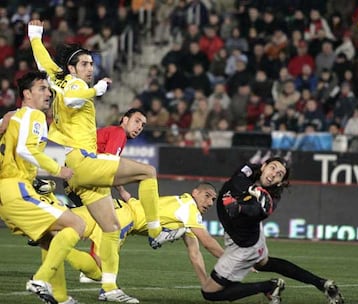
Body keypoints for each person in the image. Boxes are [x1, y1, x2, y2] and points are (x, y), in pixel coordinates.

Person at [28, 20, 183, 303]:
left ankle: (109, 289)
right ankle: (156, 232)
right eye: (85, 64)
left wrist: (35, 36)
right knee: (148, 172)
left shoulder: (57, 77)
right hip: (82, 160)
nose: (90, 67)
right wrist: (95, 90)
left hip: (71, 168)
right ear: (73, 69)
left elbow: (43, 61)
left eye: (91, 63)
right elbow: (75, 98)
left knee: (110, 229)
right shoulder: (76, 84)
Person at [39, 183, 223, 302]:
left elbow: (195, 252)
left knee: (58, 223)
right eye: (207, 196)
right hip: (124, 218)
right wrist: (238, 261)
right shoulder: (189, 209)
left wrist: (205, 283)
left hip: (115, 208)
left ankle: (47, 196)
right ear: (195, 192)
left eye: (213, 199)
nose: (209, 202)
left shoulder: (178, 207)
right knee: (101, 272)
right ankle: (109, 291)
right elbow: (207, 242)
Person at [201, 157, 344, 304]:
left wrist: (239, 207)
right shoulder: (249, 171)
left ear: (280, 182)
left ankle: (269, 286)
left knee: (209, 292)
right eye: (273, 167)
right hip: (245, 235)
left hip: (243, 246)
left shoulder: (270, 199)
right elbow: (237, 180)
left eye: (280, 174)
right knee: (263, 264)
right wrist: (252, 189)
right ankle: (322, 284)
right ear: (263, 166)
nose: (274, 173)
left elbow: (255, 211)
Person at [0, 71, 85, 304]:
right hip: (17, 189)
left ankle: (59, 297)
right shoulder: (34, 115)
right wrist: (58, 169)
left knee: (50, 237)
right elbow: (26, 150)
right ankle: (40, 279)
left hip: (7, 194)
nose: (48, 93)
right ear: (27, 94)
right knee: (77, 223)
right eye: (42, 88)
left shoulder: (15, 117)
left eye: (48, 89)